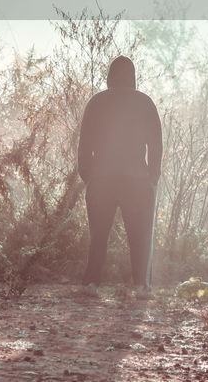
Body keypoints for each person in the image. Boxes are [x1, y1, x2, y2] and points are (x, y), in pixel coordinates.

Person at [76, 55, 162, 293]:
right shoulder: (145, 102)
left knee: (99, 236)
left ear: (109, 77)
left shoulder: (96, 102)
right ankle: (140, 286)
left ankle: (91, 284)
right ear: (133, 77)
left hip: (102, 179)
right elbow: (156, 145)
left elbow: (84, 145)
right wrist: (152, 177)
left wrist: (89, 176)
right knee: (139, 236)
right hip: (137, 180)